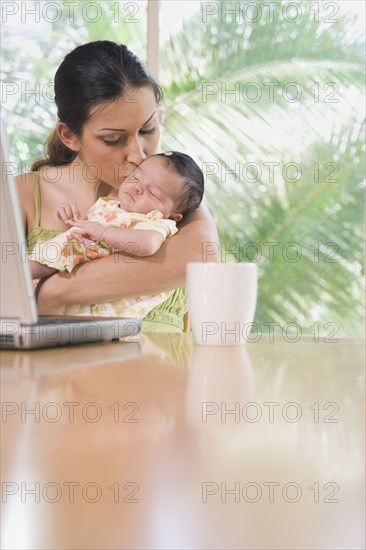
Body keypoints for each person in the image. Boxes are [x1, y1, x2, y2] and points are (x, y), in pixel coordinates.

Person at [16, 40, 219, 332]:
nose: (139, 155)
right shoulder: (22, 195)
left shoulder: (174, 191)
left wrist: (57, 291)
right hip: (61, 376)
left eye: (148, 130)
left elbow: (201, 255)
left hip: (166, 373)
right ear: (69, 136)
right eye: (113, 139)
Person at [29, 151, 204, 319]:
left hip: (99, 291)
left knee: (56, 252)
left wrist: (104, 233)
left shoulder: (156, 222)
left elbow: (148, 244)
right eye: (136, 177)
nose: (137, 187)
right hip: (78, 273)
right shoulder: (109, 205)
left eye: (153, 193)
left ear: (172, 215)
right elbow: (88, 230)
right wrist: (73, 220)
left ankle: (21, 273)